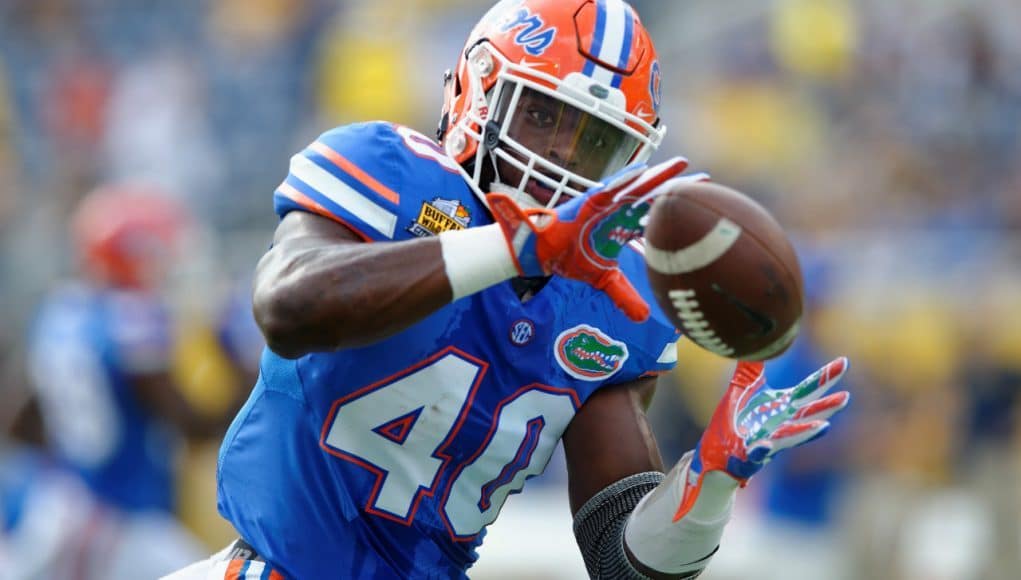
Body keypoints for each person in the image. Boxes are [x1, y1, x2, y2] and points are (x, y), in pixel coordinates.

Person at [170, 1, 851, 578]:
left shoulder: (616, 299)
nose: (559, 154)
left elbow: (618, 558)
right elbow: (289, 307)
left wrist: (708, 483)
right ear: (478, 92)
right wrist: (513, 248)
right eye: (544, 117)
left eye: (593, 141)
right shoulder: (391, 171)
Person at [23, 183, 231, 579]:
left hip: (60, 507)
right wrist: (256, 375)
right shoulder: (132, 320)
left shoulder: (61, 312)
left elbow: (21, 421)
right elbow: (194, 428)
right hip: (121, 520)